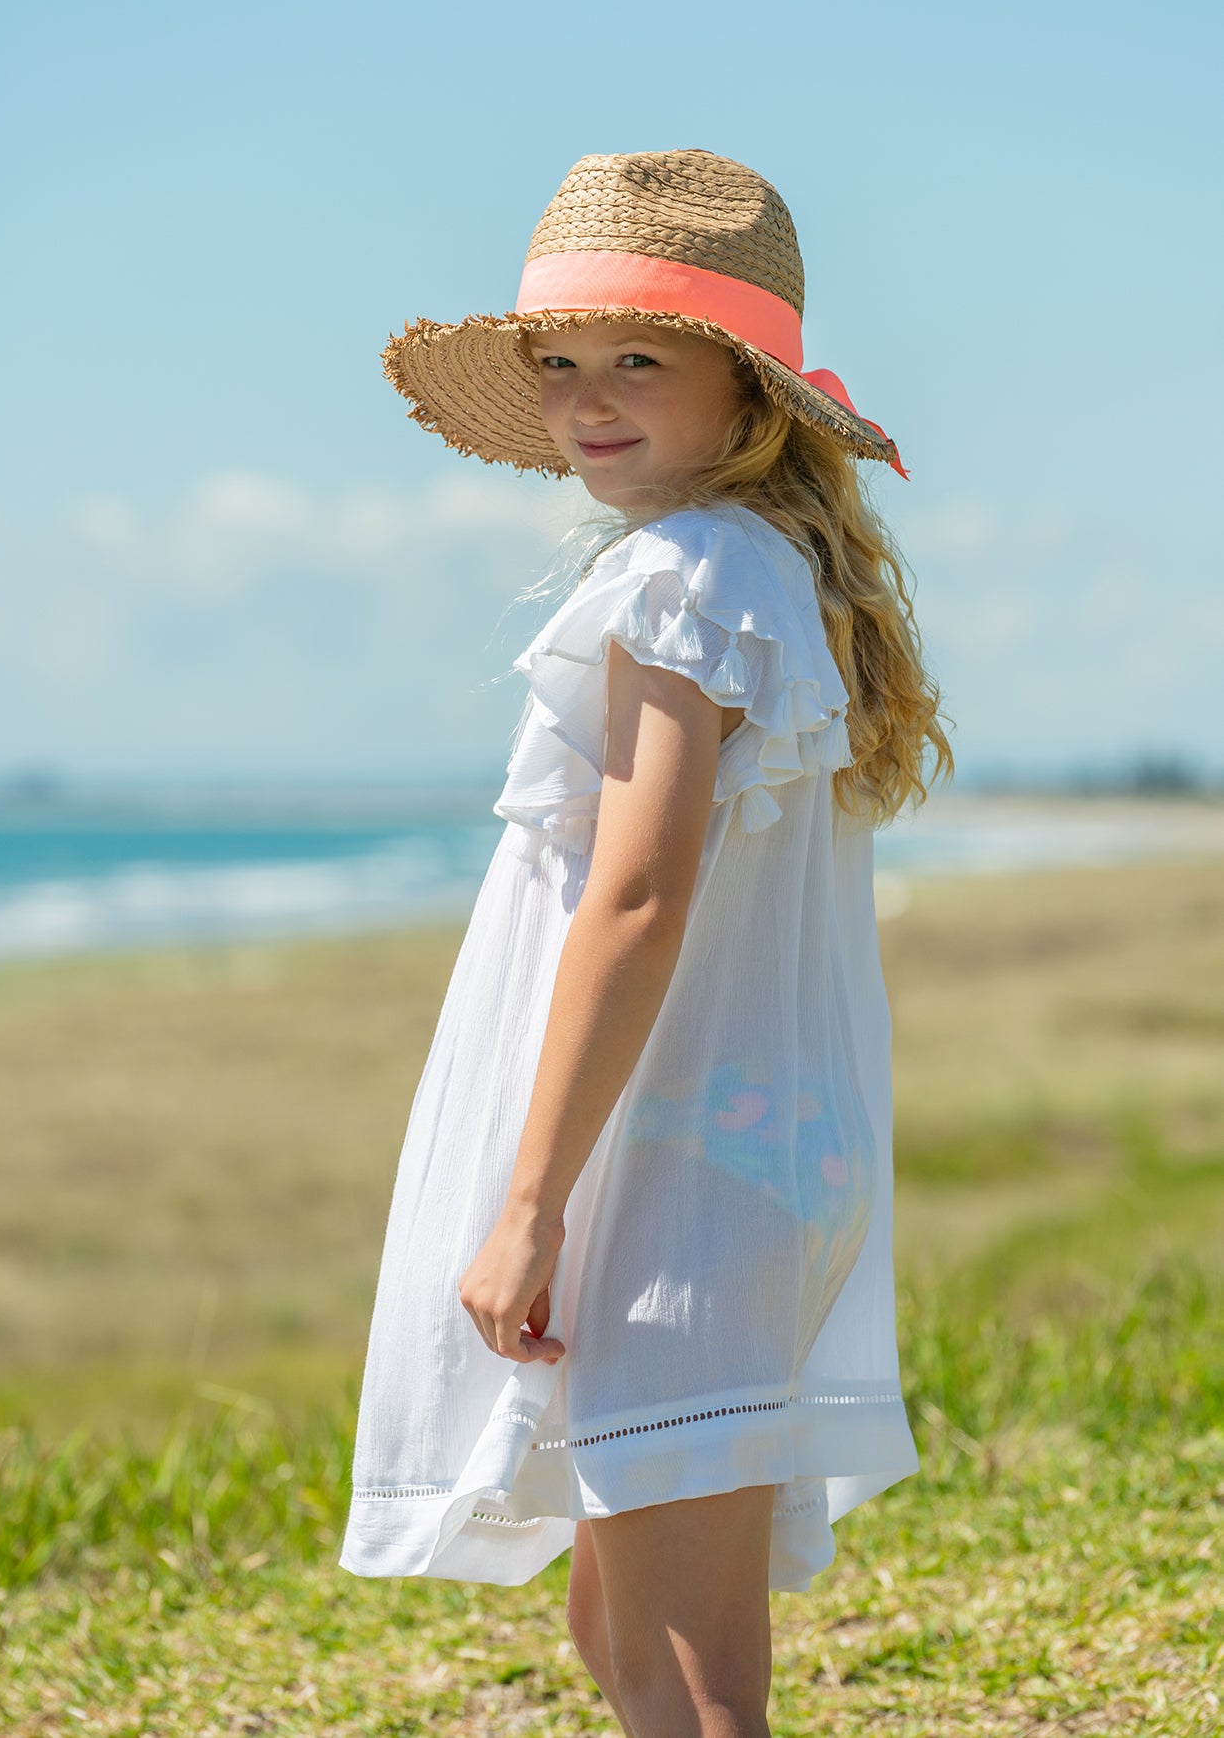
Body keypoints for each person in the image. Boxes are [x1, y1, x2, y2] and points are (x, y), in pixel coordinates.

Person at [337, 148, 953, 1738]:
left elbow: (636, 894)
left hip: (677, 1171)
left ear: (745, 394)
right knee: (622, 1619)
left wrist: (527, 1203)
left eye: (638, 361)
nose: (587, 399)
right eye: (559, 365)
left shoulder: (687, 579)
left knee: (684, 1674)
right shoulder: (760, 572)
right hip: (741, 1146)